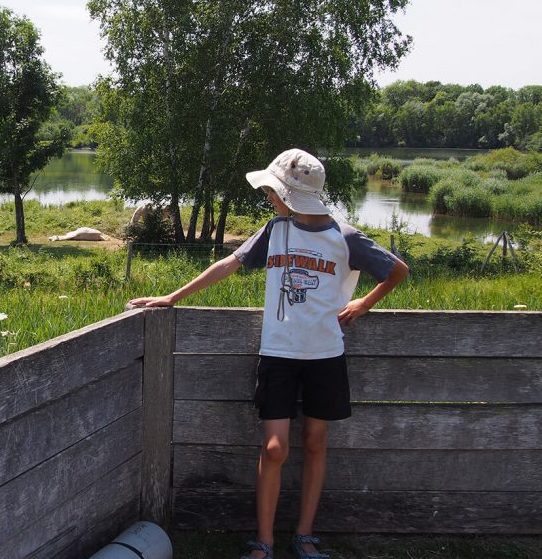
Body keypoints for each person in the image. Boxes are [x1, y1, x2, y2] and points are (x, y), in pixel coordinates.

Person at [128, 149, 409, 559]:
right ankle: (264, 542)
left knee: (315, 441)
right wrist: (172, 296)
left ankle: (305, 536)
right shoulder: (275, 229)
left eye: (272, 191)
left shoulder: (344, 237)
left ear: (289, 195)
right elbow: (229, 263)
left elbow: (397, 269)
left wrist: (362, 305)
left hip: (326, 355)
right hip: (277, 354)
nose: (268, 198)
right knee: (274, 448)